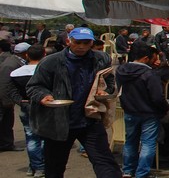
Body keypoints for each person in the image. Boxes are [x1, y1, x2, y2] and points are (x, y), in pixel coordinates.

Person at [26, 27, 121, 178]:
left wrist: (106, 91)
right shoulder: (51, 62)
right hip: (60, 122)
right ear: (69, 41)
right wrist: (44, 96)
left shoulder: (101, 59)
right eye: (78, 42)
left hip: (90, 119)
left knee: (105, 163)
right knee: (54, 167)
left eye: (86, 43)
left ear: (91, 43)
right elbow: (34, 86)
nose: (81, 46)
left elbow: (109, 81)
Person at [115, 41, 169, 178]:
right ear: (146, 58)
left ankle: (127, 171)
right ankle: (142, 173)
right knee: (148, 144)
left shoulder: (121, 71)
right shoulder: (149, 75)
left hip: (130, 112)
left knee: (130, 142)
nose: (155, 61)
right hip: (149, 114)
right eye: (153, 58)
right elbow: (157, 98)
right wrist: (165, 108)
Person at [9, 44, 45, 177]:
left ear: (26, 56)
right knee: (44, 138)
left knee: (31, 137)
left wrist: (20, 101)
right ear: (44, 55)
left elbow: (11, 90)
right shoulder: (45, 71)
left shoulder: (16, 73)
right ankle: (40, 166)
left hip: (25, 106)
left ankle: (33, 166)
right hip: (44, 106)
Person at [0, 41, 24, 151]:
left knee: (7, 122)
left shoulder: (15, 62)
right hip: (4, 99)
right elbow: (4, 84)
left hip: (8, 99)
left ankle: (7, 144)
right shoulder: (9, 64)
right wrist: (6, 101)